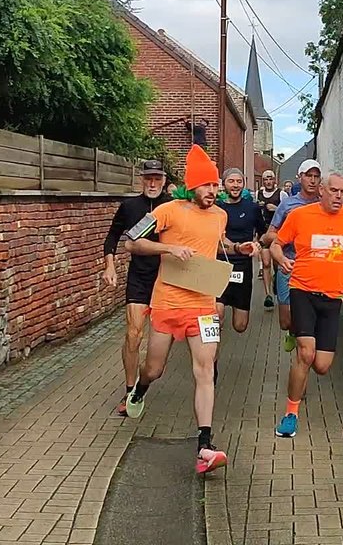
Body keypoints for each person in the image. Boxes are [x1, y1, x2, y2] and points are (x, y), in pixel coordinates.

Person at [123, 145, 255, 474]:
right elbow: (130, 241)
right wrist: (169, 246)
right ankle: (140, 388)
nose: (213, 191)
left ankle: (204, 445)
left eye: (215, 185)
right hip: (167, 304)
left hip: (203, 304)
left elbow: (217, 241)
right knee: (155, 369)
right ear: (192, 186)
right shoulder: (169, 211)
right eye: (207, 186)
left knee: (205, 369)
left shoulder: (220, 214)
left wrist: (238, 247)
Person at [270, 171, 343, 438]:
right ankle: (291, 414)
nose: (338, 196)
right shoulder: (300, 215)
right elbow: (277, 243)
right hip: (302, 289)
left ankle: (301, 340)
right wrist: (281, 260)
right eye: (334, 190)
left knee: (322, 365)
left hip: (333, 296)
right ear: (322, 190)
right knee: (306, 353)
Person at [101, 159, 173, 416]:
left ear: (164, 180)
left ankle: (149, 376)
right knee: (133, 334)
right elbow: (112, 236)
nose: (152, 183)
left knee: (161, 340)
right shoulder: (129, 206)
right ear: (141, 179)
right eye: (148, 178)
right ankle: (130, 389)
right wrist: (109, 266)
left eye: (157, 178)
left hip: (166, 277)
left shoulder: (173, 206)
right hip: (139, 276)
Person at [262, 159, 324, 352]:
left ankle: (304, 342)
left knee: (309, 316)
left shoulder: (324, 204)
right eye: (309, 176)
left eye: (316, 176)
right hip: (288, 263)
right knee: (285, 320)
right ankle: (293, 331)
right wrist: (291, 236)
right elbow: (268, 236)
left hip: (313, 268)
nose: (313, 181)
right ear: (300, 177)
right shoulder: (288, 204)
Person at [217, 167, 263, 334]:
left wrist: (258, 244)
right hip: (219, 265)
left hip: (242, 268)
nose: (235, 185)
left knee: (240, 325)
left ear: (243, 184)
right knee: (217, 314)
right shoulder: (216, 208)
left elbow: (263, 233)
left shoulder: (252, 208)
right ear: (223, 184)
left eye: (239, 181)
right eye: (231, 181)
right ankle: (210, 357)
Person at [256, 170, 283, 309]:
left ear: (274, 180)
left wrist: (276, 208)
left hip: (278, 232)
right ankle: (268, 295)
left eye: (270, 179)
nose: (268, 181)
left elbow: (288, 213)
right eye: (265, 179)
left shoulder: (281, 194)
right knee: (266, 263)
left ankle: (277, 282)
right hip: (263, 231)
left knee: (277, 265)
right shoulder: (258, 194)